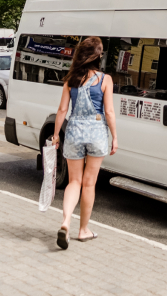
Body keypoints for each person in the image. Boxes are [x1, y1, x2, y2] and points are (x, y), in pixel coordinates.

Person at [52, 36, 117, 250]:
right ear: (99, 56)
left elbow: (62, 110)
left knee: (74, 182)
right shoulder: (105, 79)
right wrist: (114, 137)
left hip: (74, 132)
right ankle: (83, 230)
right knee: (89, 184)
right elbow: (108, 111)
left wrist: (55, 135)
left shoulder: (70, 79)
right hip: (97, 132)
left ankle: (65, 222)